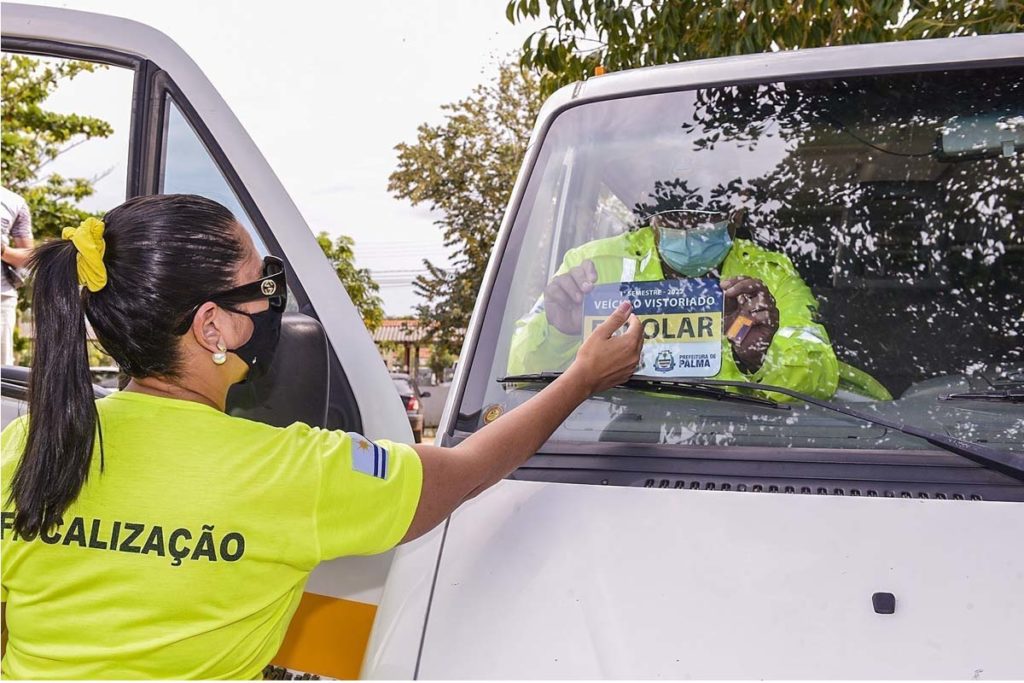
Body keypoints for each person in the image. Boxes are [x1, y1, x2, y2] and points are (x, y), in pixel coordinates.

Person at [0, 194, 644, 678]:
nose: (273, 302)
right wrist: (582, 378)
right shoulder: (288, 473)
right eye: (261, 286)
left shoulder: (26, 444)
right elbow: (467, 469)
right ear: (212, 327)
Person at [508, 209, 892, 401]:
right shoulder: (590, 267)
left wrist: (756, 355)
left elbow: (817, 375)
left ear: (736, 217)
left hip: (744, 450)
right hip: (610, 450)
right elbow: (518, 378)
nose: (691, 230)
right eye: (678, 217)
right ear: (654, 220)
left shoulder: (771, 274)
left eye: (707, 218)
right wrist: (560, 332)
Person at [0, 187, 34, 367]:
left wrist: (3, 250)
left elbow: (29, 257)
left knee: (2, 370)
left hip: (2, 297)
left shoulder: (14, 201)